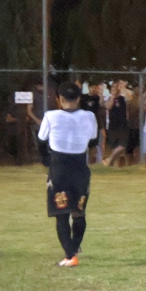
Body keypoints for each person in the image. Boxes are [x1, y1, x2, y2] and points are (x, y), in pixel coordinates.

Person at [37, 82, 98, 268]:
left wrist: (46, 160)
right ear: (79, 99)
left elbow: (41, 140)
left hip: (59, 169)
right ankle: (74, 248)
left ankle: (70, 255)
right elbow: (93, 140)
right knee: (78, 212)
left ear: (60, 99)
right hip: (80, 168)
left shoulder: (51, 116)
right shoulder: (89, 116)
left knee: (61, 213)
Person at [103, 80, 130, 166]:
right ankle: (113, 165)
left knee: (123, 145)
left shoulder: (122, 98)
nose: (115, 88)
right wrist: (113, 96)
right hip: (113, 126)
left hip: (123, 125)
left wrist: (123, 87)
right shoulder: (109, 98)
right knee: (114, 147)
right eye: (113, 87)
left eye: (116, 86)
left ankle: (109, 159)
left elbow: (129, 99)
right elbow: (108, 106)